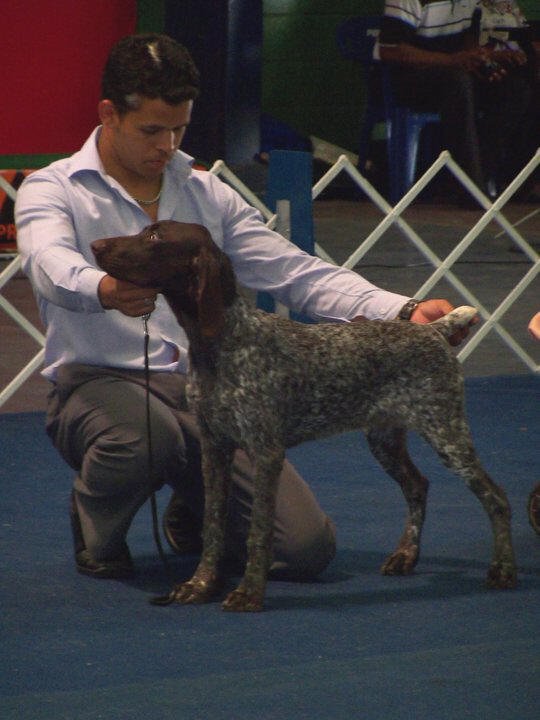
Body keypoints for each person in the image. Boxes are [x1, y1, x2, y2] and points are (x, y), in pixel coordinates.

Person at [15, 33, 469, 581]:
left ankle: (192, 504)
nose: (167, 146)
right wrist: (102, 288)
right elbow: (47, 264)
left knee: (305, 551)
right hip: (98, 384)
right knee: (143, 439)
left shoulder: (208, 193)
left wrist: (400, 310)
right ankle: (95, 526)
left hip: (210, 387)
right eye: (152, 131)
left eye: (179, 129)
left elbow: (295, 272)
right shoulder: (52, 188)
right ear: (109, 114)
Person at [376, 0, 534, 198]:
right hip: (410, 81)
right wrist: (453, 60)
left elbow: (467, 42)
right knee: (457, 82)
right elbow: (390, 50)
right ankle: (470, 189)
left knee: (514, 90)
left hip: (453, 75)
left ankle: (494, 179)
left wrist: (483, 58)